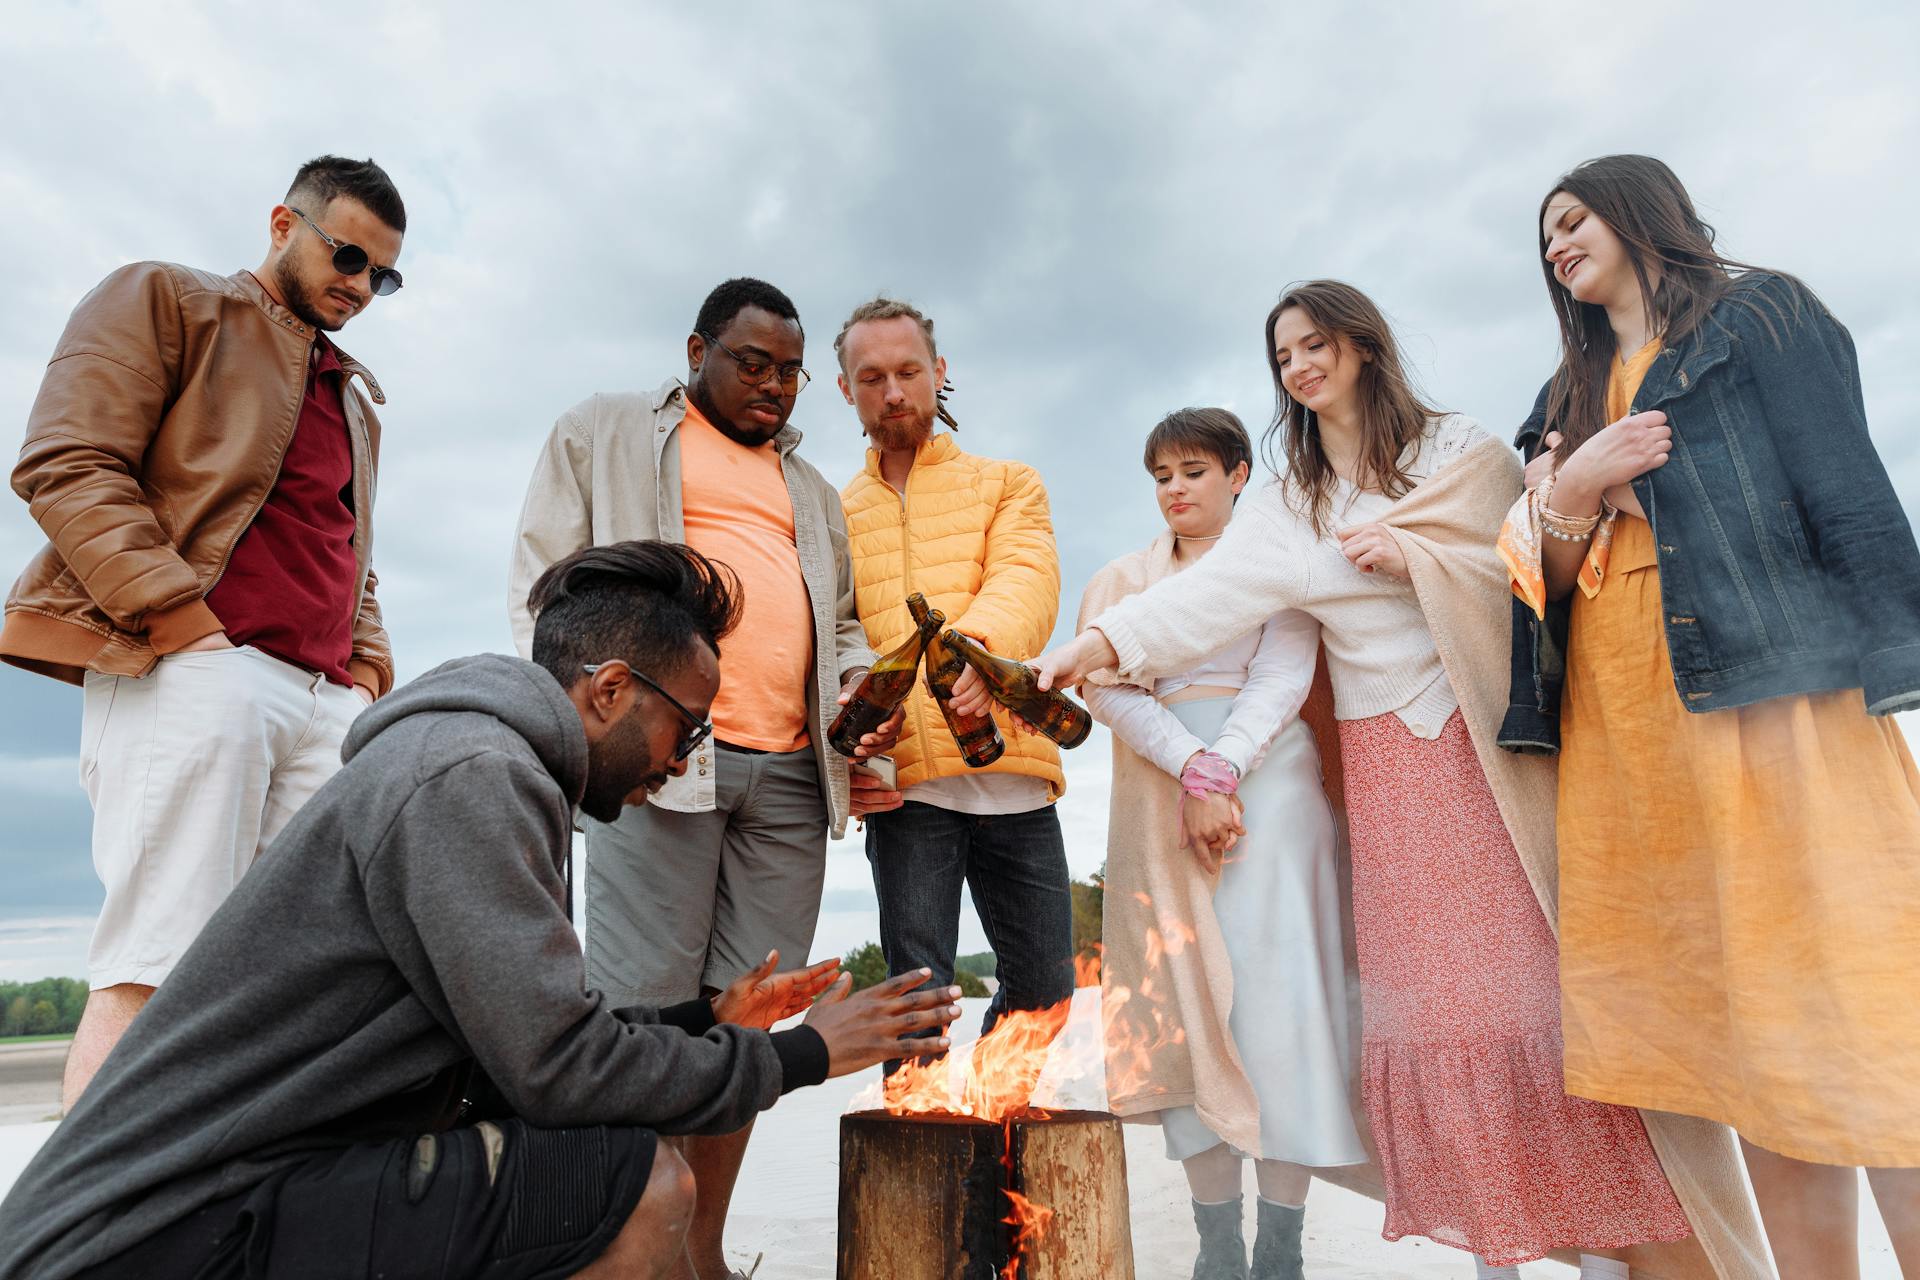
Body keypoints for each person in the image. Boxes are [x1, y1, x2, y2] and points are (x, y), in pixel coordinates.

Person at [1023, 281, 1769, 1278]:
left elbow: (1525, 563)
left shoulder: (1461, 453)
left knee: (1531, 1003)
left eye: (1315, 343)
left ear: (1364, 345)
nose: (1298, 365)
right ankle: (1494, 1254)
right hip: (1381, 771)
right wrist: (1097, 643)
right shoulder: (1292, 501)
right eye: (1283, 354)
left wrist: (1414, 549)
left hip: (1481, 747)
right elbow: (1210, 596)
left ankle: (1606, 1249)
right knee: (1429, 1014)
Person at [0, 540, 962, 1280]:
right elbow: (559, 1072)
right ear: (612, 689)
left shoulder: (491, 766)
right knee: (639, 1184)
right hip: (150, 1237)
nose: (685, 758)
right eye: (688, 726)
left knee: (603, 1153)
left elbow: (516, 1048)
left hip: (232, 1193)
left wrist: (702, 1021)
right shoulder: (471, 777)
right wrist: (810, 1055)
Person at [1499, 153, 1920, 1280]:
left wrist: (1898, 654)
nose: (1556, 242)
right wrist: (1580, 486)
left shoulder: (1763, 313)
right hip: (1630, 729)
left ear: (1643, 212)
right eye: (1544, 233)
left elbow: (1843, 480)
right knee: (1752, 1040)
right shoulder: (1564, 396)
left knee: (1867, 1004)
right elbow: (1530, 560)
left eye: (1573, 217)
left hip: (1780, 691)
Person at [1, 156, 407, 1109]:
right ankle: (88, 1242)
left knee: (297, 985)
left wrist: (368, 674)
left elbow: (350, 546)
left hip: (322, 704)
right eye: (347, 254)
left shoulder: (353, 397)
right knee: (154, 966)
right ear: (282, 223)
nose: (359, 284)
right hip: (195, 674)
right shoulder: (169, 300)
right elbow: (66, 462)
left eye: (382, 275)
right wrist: (185, 627)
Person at [508, 279, 893, 1280]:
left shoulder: (811, 490)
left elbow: (842, 619)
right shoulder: (605, 431)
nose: (771, 387)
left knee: (752, 1010)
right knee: (641, 1008)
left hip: (795, 776)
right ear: (698, 349)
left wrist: (859, 698)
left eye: (789, 371)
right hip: (657, 766)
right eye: (749, 362)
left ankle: (701, 1253)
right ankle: (635, 1240)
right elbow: (545, 586)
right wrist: (576, 732)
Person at [1076, 408, 1362, 1280]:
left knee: (1281, 1009)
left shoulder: (1280, 566)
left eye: (1192, 471)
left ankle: (1281, 1248)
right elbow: (1105, 686)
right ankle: (1216, 1248)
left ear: (1240, 474)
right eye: (1160, 475)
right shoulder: (1122, 577)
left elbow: (1283, 676)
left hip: (1274, 789)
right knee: (1184, 1006)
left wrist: (1225, 769)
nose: (1173, 490)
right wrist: (1193, 764)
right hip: (1159, 790)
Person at [833, 297, 1075, 1063]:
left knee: (1046, 995)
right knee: (918, 1011)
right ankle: (933, 1165)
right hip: (906, 790)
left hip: (1014, 771)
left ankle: (998, 1142)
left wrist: (978, 655)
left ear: (940, 371)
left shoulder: (1009, 482)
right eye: (872, 377)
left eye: (908, 371)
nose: (893, 391)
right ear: (846, 389)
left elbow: (1027, 579)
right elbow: (828, 642)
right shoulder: (831, 515)